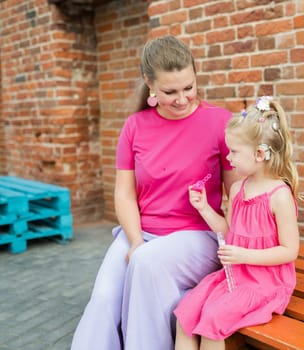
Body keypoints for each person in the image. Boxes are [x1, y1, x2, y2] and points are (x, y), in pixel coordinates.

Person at [71, 35, 239, 350]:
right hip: (141, 232)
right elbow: (124, 194)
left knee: (146, 264)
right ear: (150, 84)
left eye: (189, 87)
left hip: (197, 235)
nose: (182, 99)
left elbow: (238, 192)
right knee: (104, 299)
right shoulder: (134, 126)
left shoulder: (220, 123)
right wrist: (134, 240)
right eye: (170, 92)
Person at [173, 96, 300, 350]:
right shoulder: (239, 188)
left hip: (265, 284)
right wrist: (204, 208)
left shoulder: (279, 196)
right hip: (234, 277)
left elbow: (289, 251)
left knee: (212, 321)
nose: (228, 157)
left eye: (234, 151)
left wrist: (244, 255)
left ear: (260, 154)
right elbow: (228, 230)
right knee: (184, 314)